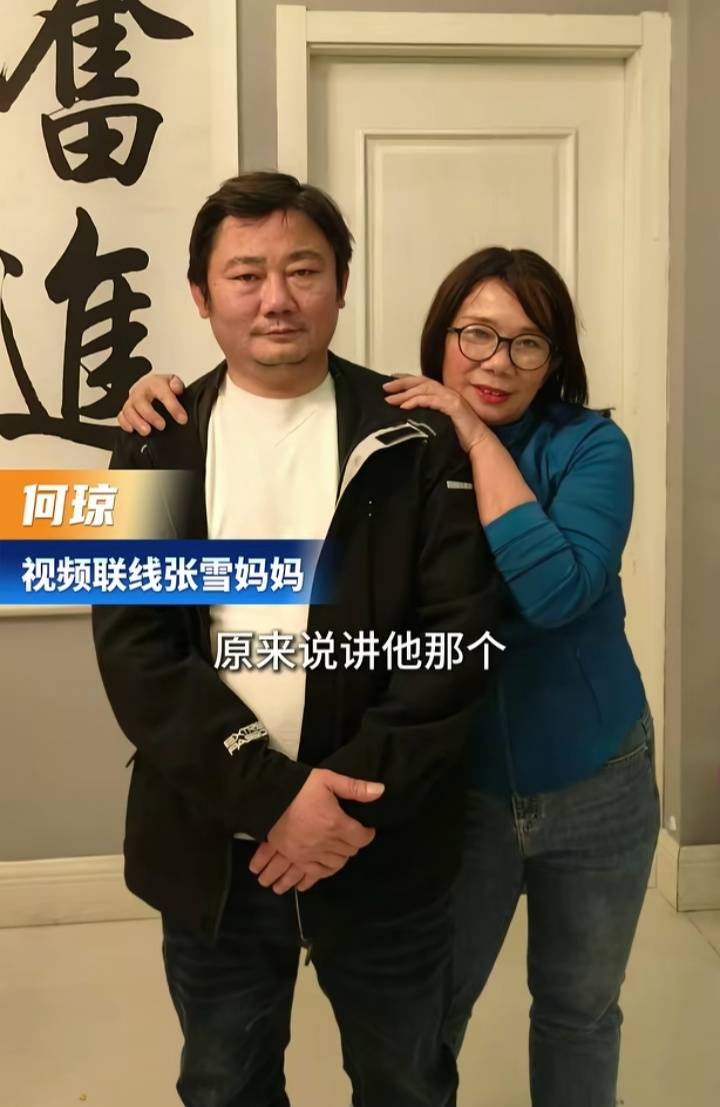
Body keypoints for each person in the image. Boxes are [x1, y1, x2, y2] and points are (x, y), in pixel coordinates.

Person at [123, 244, 660, 1107]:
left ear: (556, 356)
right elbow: (147, 648)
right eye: (476, 334)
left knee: (574, 1009)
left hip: (590, 771)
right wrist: (279, 796)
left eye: (528, 342)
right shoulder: (399, 433)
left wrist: (473, 435)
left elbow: (553, 592)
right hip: (462, 784)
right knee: (427, 1021)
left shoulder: (579, 445)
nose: (497, 361)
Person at [92, 172, 500, 1107]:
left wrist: (335, 809)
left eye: (303, 270)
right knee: (225, 1081)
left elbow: (455, 641)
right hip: (216, 839)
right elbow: (137, 654)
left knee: (406, 1082)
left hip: (381, 841)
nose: (276, 297)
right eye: (246, 275)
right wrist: (276, 798)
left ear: (341, 285)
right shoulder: (150, 443)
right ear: (202, 296)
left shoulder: (417, 436)